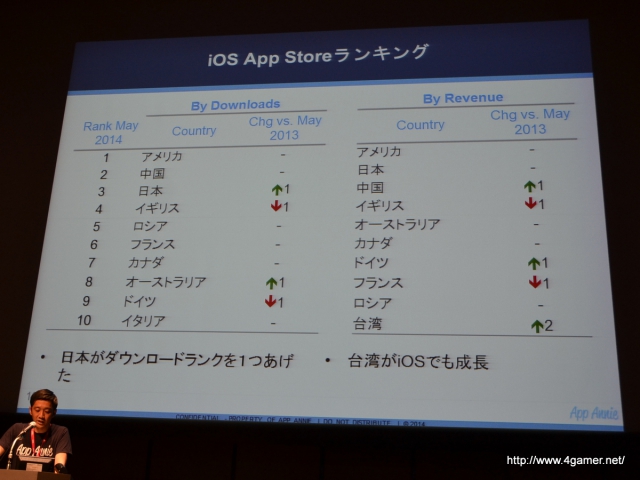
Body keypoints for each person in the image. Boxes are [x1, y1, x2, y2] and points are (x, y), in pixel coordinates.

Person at [0, 389, 72, 473]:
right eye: (37, 410)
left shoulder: (60, 432)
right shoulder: (17, 429)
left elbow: (59, 466)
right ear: (30, 410)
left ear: (54, 413)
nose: (41, 416)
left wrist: (59, 471)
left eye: (47, 411)